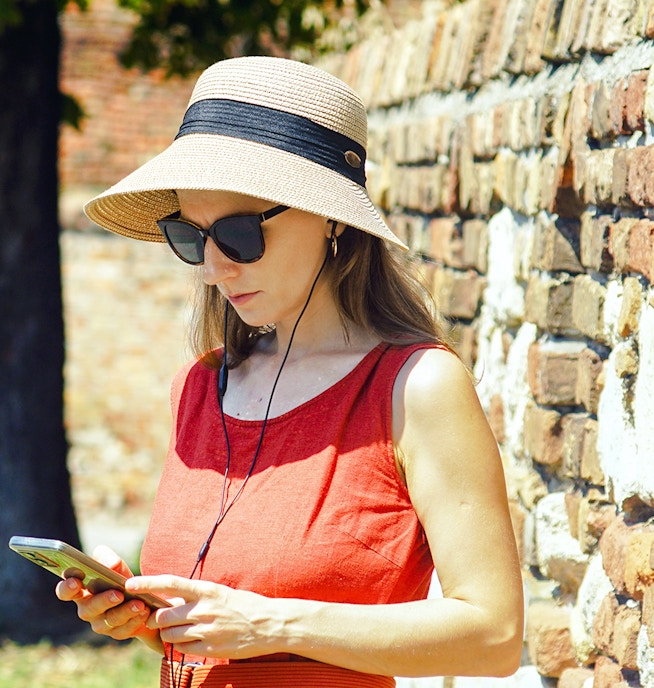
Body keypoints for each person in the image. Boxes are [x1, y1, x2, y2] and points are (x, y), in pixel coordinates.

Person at [55, 56, 524, 685]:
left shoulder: (415, 388)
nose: (213, 269)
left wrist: (271, 626)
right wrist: (147, 616)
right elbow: (226, 631)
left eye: (240, 234)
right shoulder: (199, 387)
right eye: (190, 237)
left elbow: (491, 637)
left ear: (331, 217)